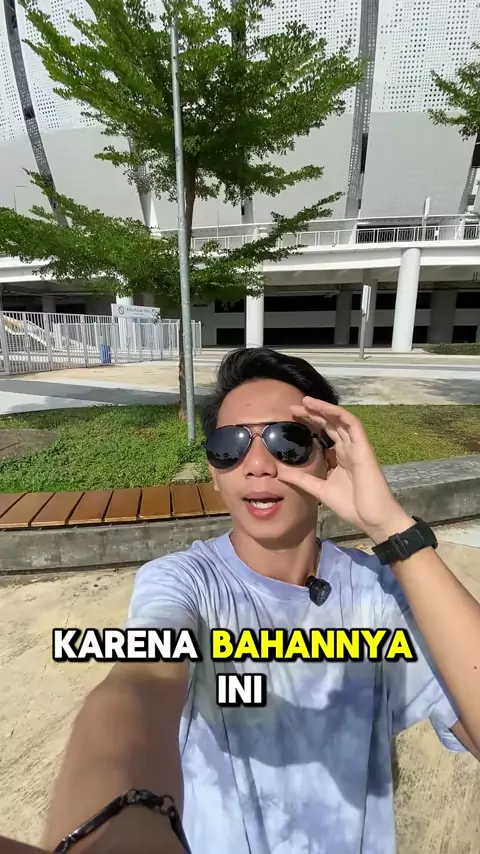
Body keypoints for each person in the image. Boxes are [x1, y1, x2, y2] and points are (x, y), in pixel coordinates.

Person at [41, 347, 480, 854]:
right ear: (213, 471)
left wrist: (391, 528)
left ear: (330, 456)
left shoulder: (379, 593)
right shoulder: (185, 584)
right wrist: (117, 825)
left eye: (286, 441)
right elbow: (140, 685)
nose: (255, 465)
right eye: (229, 446)